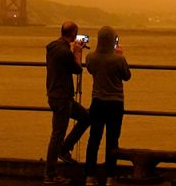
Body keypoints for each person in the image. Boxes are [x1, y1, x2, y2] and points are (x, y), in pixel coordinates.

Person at [44, 21, 91, 185]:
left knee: (86, 117)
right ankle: (50, 174)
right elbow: (77, 69)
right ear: (73, 34)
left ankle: (65, 149)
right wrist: (77, 52)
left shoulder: (53, 48)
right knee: (57, 135)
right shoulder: (64, 52)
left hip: (56, 95)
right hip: (62, 98)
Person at [84, 25, 131, 186]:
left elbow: (90, 70)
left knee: (94, 140)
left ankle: (89, 176)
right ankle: (111, 176)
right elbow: (127, 76)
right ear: (113, 41)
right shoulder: (118, 59)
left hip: (97, 102)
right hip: (115, 103)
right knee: (112, 141)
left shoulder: (91, 57)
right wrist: (120, 55)